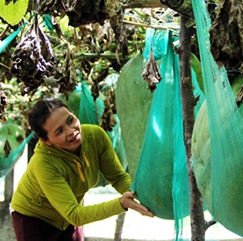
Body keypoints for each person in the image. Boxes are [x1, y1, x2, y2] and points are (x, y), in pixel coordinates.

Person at [11, 98, 154, 241]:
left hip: (68, 216)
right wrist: (120, 204)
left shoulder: (95, 136)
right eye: (59, 131)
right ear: (46, 141)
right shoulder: (43, 163)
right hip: (34, 219)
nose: (71, 131)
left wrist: (141, 193)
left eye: (70, 120)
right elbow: (75, 215)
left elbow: (118, 177)